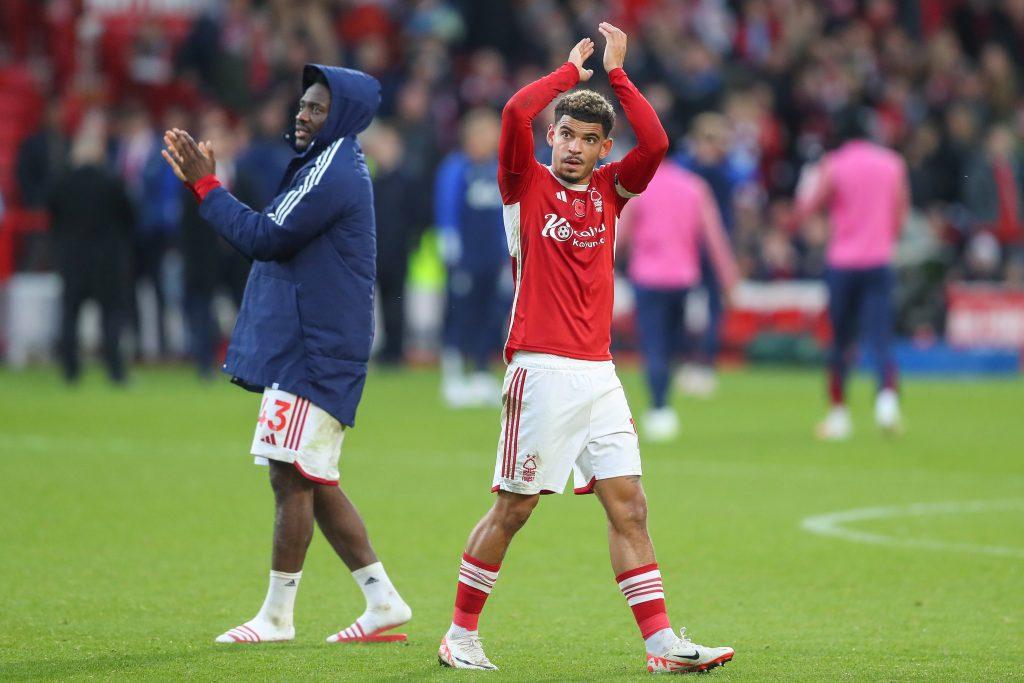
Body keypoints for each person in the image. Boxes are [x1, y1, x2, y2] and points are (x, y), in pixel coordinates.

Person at [437, 25, 734, 674]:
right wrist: (570, 75)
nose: (573, 146)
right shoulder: (523, 183)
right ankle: (459, 634)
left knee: (630, 504)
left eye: (588, 138)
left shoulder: (610, 192)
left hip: (598, 373)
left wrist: (619, 75)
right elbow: (514, 112)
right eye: (566, 134)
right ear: (552, 137)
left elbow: (657, 143)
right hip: (539, 368)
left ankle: (661, 646)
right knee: (515, 507)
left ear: (604, 149)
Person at [161, 64, 412, 645]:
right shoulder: (325, 162)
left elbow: (265, 238)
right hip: (312, 343)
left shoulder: (332, 169)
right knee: (307, 472)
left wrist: (207, 188)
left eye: (317, 108)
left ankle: (277, 618)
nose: (302, 114)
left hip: (313, 349)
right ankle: (383, 600)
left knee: (292, 473)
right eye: (302, 105)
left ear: (342, 116)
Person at [793, 107, 910, 440]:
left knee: (841, 341)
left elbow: (808, 208)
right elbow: (900, 216)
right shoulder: (893, 164)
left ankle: (838, 413)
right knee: (881, 335)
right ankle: (887, 402)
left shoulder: (834, 164)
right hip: (879, 260)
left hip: (843, 263)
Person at [619, 160, 740, 442]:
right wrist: (728, 279)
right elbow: (714, 237)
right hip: (683, 278)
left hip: (648, 278)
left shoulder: (639, 187)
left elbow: (620, 235)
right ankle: (664, 403)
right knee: (672, 344)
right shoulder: (694, 187)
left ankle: (659, 406)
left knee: (653, 344)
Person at [48, 110, 134, 384]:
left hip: (72, 259)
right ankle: (115, 370)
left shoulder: (62, 182)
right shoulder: (112, 182)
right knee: (111, 316)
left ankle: (70, 370)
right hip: (107, 261)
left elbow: (52, 217)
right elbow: (129, 217)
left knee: (70, 315)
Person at [435, 107, 508, 407]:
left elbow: (506, 212)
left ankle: (481, 372)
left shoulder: (497, 169)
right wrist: (449, 242)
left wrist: (508, 250)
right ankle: (452, 375)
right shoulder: (456, 168)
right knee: (460, 312)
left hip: (492, 256)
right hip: (464, 257)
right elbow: (446, 206)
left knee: (490, 313)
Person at [674, 113, 750, 397]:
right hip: (687, 248)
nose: (712, 146)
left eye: (717, 140)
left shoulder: (727, 173)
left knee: (715, 309)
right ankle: (685, 361)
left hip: (715, 249)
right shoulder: (686, 170)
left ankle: (704, 364)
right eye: (708, 139)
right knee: (681, 307)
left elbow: (737, 209)